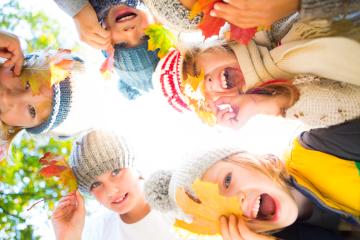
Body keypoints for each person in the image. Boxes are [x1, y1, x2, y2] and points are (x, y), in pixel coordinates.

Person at [144, 118, 360, 240]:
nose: (235, 200)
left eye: (227, 181)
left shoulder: (317, 149)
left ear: (263, 160)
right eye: (222, 212)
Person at [153, 36, 360, 128]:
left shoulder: (265, 25)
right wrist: (259, 104)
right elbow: (353, 102)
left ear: (208, 48)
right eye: (202, 96)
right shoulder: (280, 100)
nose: (207, 84)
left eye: (196, 70)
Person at [51, 129, 179, 240]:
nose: (111, 191)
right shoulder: (97, 231)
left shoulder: (178, 202)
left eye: (115, 172)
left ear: (135, 165)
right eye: (96, 184)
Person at [54, 0, 161, 100]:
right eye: (146, 37)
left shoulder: (84, 6)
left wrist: (78, 9)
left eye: (122, 44)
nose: (130, 32)